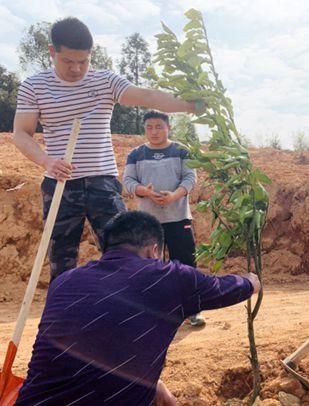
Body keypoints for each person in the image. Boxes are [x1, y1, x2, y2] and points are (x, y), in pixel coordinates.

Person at [13, 17, 200, 282]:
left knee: (125, 251)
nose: (77, 69)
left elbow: (147, 97)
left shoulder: (105, 81)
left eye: (84, 61)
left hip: (103, 181)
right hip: (60, 184)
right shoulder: (34, 86)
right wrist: (46, 161)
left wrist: (190, 105)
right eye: (68, 62)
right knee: (61, 257)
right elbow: (21, 134)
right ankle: (66, 315)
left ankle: (126, 313)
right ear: (52, 52)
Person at [15, 211, 260, 405]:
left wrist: (152, 382)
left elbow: (96, 339)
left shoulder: (65, 282)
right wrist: (251, 281)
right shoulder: (167, 276)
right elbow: (224, 288)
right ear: (154, 250)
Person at [123, 110, 205, 326]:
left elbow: (190, 178)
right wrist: (145, 191)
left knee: (185, 263)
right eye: (149, 127)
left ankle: (192, 310)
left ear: (169, 127)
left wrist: (174, 196)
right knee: (149, 265)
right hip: (148, 223)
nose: (154, 131)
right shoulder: (136, 154)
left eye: (159, 126)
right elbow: (128, 181)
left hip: (178, 217)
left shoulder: (181, 151)